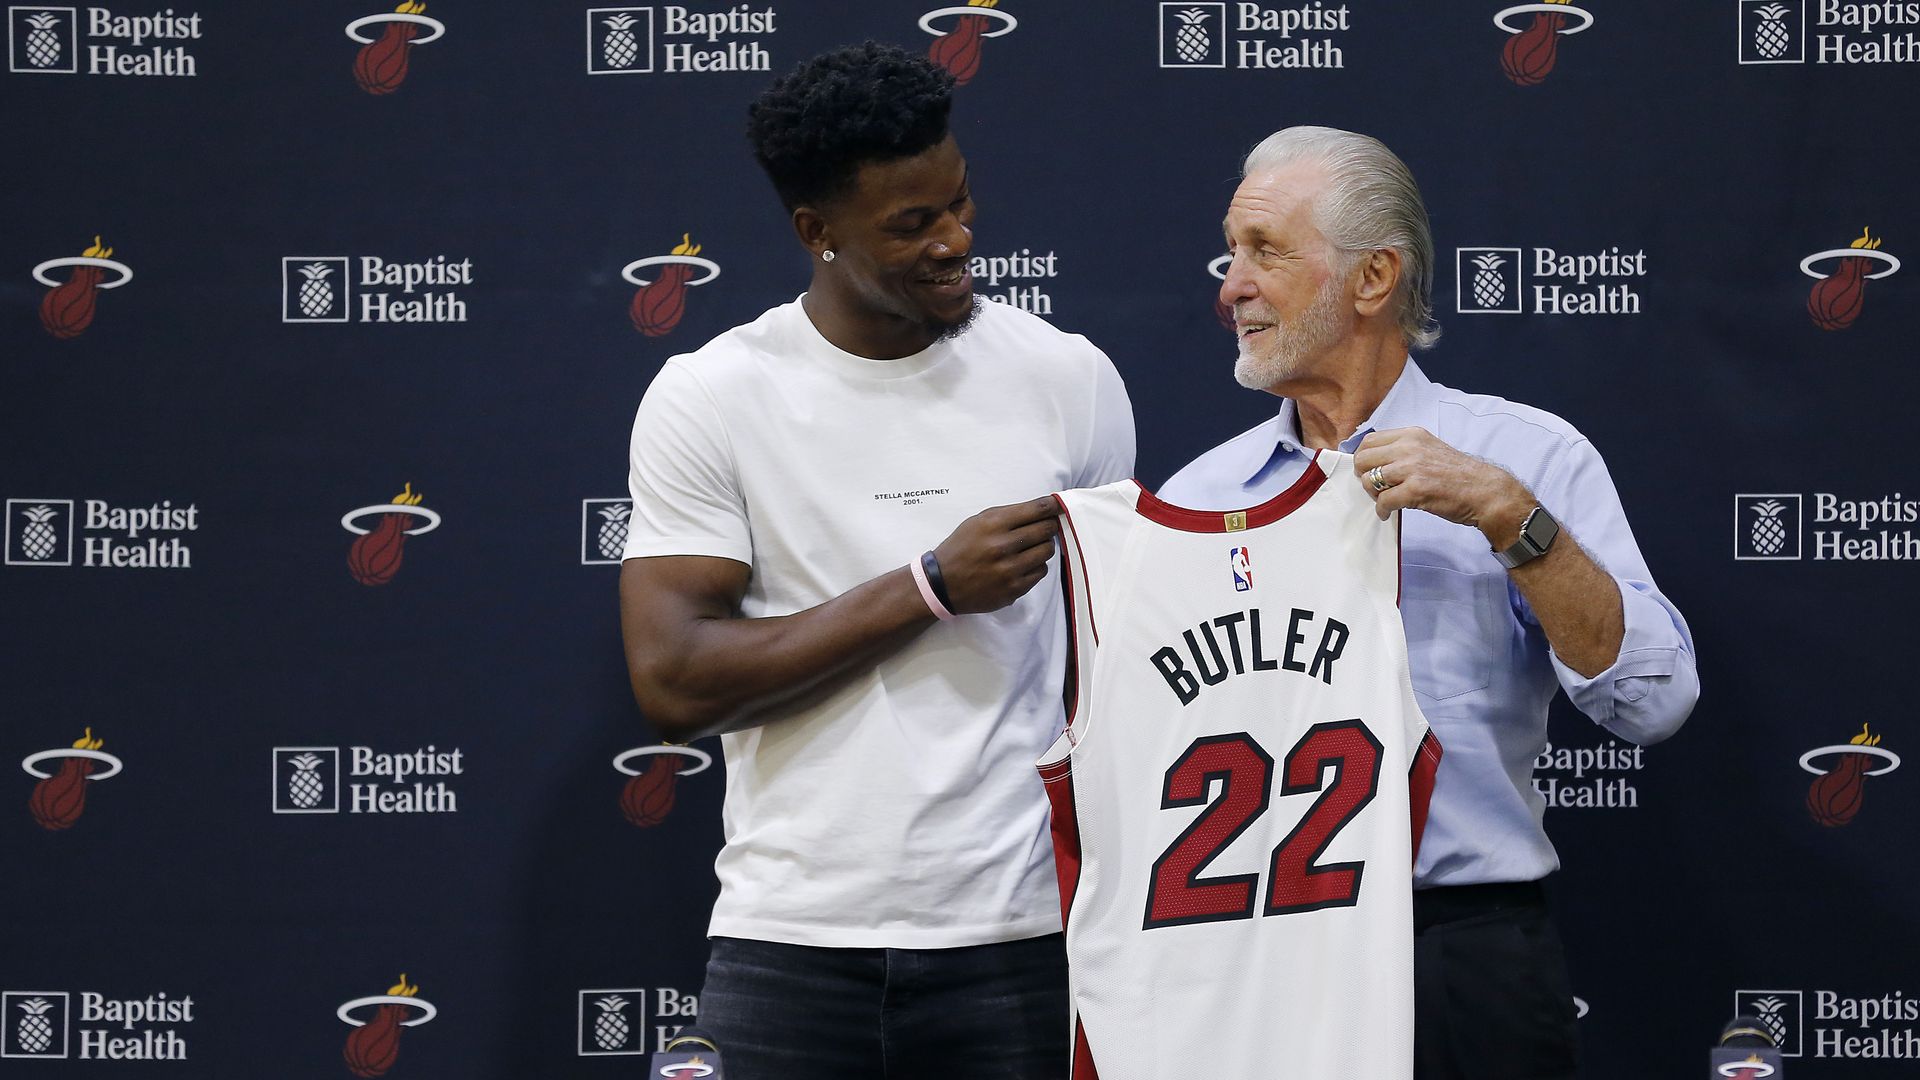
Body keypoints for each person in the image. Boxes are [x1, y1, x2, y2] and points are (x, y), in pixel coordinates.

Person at [616, 42, 1136, 1080]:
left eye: (960, 203)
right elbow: (673, 681)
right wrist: (928, 589)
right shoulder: (713, 395)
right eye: (912, 225)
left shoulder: (1066, 380)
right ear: (817, 232)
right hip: (791, 941)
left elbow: (1116, 663)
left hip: (1022, 940)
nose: (957, 241)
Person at [1158, 126, 1698, 1079]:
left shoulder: (1527, 461)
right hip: (1251, 954)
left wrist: (1509, 518)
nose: (1229, 287)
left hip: (1459, 956)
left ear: (1373, 280)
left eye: (1266, 252)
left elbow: (1653, 702)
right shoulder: (1200, 499)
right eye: (1231, 253)